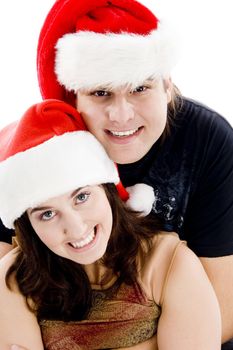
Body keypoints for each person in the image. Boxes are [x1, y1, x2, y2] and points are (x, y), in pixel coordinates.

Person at [0, 0, 233, 348]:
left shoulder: (207, 142)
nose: (122, 115)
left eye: (140, 88)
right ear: (73, 99)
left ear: (167, 86)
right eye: (101, 93)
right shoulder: (33, 163)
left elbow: (222, 314)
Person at [0, 99, 221, 350]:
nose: (76, 228)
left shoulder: (167, 261)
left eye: (82, 197)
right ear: (28, 225)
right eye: (47, 214)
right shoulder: (13, 280)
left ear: (107, 189)